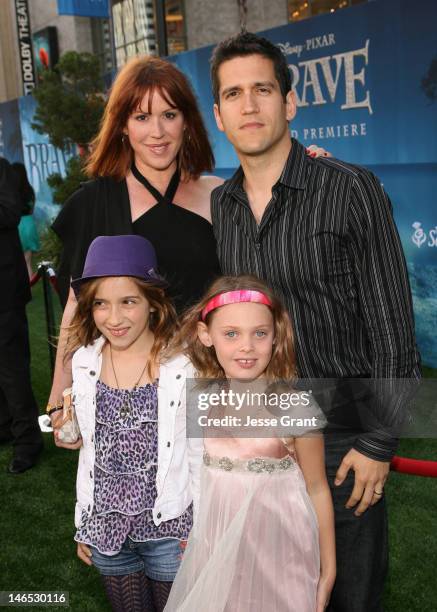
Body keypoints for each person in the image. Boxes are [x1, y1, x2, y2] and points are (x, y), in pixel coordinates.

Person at [209, 32, 420, 611]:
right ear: (218, 114)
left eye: (263, 89)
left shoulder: (350, 189)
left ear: (290, 102)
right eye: (233, 94)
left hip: (344, 434)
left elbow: (393, 328)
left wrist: (379, 442)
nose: (249, 105)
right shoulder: (220, 208)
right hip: (259, 436)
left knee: (349, 597)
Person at [48, 54, 327, 427]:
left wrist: (310, 168)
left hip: (212, 386)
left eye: (169, 114)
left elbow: (268, 260)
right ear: (122, 127)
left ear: (187, 123)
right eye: (142, 117)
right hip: (127, 391)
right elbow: (74, 306)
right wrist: (58, 395)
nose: (158, 132)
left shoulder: (222, 195)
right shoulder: (92, 203)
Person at [165, 275, 336, 611]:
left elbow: (317, 487)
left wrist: (328, 567)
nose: (247, 346)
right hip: (218, 551)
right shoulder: (203, 400)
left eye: (260, 333)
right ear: (206, 335)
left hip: (281, 552)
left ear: (276, 336)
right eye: (231, 334)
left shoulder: (295, 407)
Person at [56, 234, 202, 612]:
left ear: (154, 303)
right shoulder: (85, 362)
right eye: (101, 304)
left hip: (171, 530)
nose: (114, 318)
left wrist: (204, 528)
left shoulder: (184, 365)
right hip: (107, 531)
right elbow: (91, 455)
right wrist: (84, 521)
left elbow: (198, 454)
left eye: (129, 302)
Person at [0, 157, 43, 473]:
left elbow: (10, 211)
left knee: (12, 368)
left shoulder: (1, 167)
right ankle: (4, 428)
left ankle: (28, 442)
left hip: (4, 288)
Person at [11, 162, 40, 278]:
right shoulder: (30, 190)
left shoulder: (11, 191)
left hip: (17, 225)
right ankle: (30, 290)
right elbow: (32, 209)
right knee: (27, 262)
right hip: (29, 224)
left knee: (15, 263)